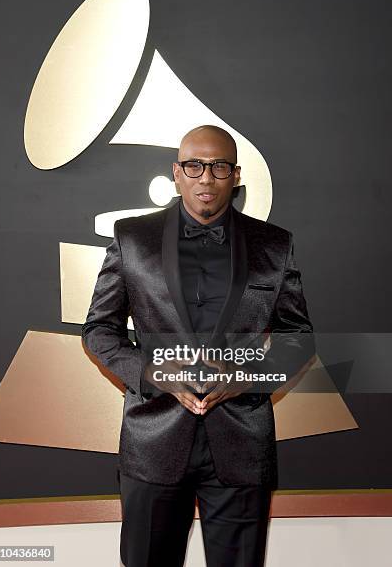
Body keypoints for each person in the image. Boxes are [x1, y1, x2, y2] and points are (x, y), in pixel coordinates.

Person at [81, 125, 314, 567]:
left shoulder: (274, 245)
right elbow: (99, 330)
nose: (206, 178)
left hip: (242, 446)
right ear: (177, 173)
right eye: (194, 166)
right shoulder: (132, 239)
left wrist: (246, 377)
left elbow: (298, 337)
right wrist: (154, 373)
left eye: (219, 167)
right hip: (153, 443)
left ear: (236, 175)